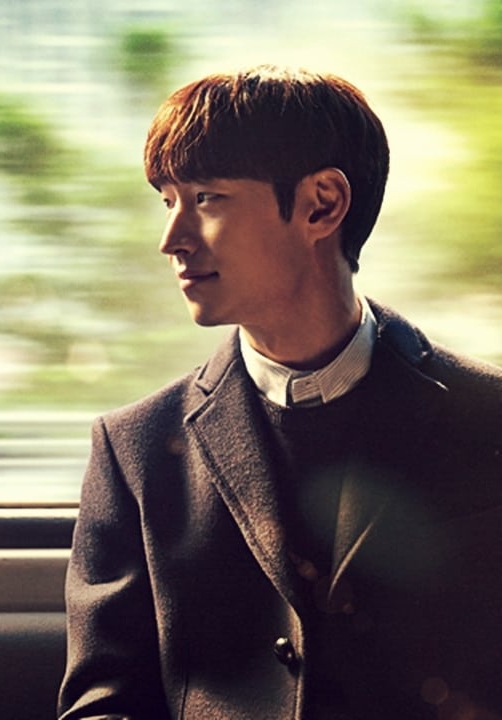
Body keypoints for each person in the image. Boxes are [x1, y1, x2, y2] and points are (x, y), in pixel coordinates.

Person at [57, 65, 502, 719]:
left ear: (322, 204)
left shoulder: (487, 418)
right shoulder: (133, 449)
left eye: (206, 198)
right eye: (168, 201)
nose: (171, 240)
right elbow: (105, 702)